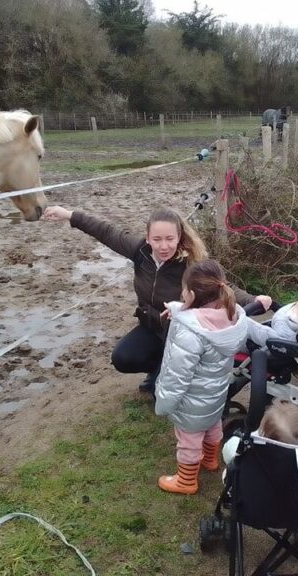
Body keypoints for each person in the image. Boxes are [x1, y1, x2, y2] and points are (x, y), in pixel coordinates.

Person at [43, 205, 270, 394]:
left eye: (170, 239)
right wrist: (68, 215)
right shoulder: (139, 251)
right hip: (151, 326)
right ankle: (157, 368)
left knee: (161, 393)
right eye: (157, 239)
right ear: (148, 237)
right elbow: (106, 231)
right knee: (122, 358)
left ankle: (169, 372)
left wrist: (254, 299)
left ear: (179, 237)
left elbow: (222, 286)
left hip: (180, 334)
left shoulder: (191, 264)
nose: (164, 246)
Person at [154, 259, 249, 495]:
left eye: (184, 289)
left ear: (192, 294)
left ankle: (186, 481)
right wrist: (178, 308)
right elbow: (199, 313)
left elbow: (177, 375)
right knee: (212, 426)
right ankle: (210, 460)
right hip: (215, 395)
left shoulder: (190, 333)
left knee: (189, 438)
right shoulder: (232, 316)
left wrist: (163, 404)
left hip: (191, 400)